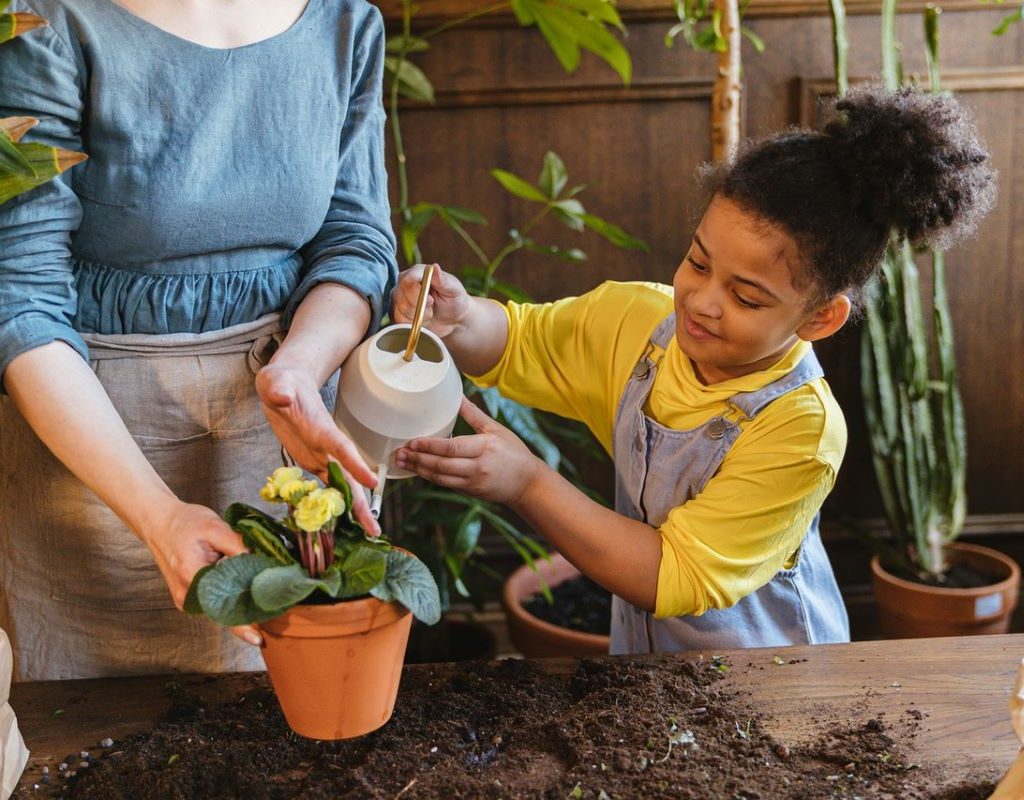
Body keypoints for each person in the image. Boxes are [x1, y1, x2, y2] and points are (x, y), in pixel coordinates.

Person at [391, 86, 996, 654]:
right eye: (698, 262)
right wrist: (461, 317)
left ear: (820, 318)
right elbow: (520, 342)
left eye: (748, 297)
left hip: (775, 688)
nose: (703, 301)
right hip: (651, 670)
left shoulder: (801, 430)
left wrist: (526, 482)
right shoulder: (639, 320)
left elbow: (671, 573)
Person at [0, 0, 395, 680]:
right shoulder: (45, 20)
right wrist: (158, 518)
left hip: (283, 435)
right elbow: (19, 297)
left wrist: (298, 369)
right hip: (99, 451)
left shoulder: (344, 22)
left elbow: (354, 241)